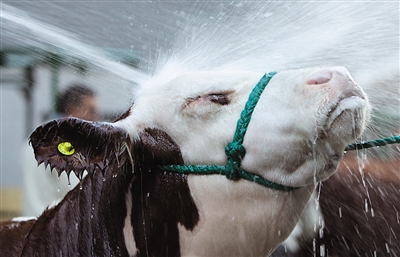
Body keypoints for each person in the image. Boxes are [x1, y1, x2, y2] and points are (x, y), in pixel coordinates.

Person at [22, 84, 100, 217]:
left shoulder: (79, 147)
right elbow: (37, 204)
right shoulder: (41, 147)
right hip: (47, 231)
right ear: (72, 111)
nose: (97, 117)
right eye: (91, 110)